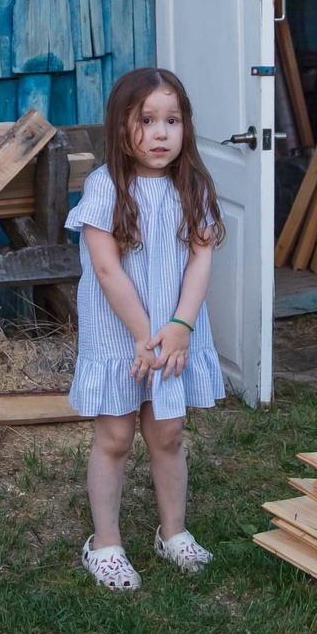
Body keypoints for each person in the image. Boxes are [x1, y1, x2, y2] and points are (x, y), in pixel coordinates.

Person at [67, 66, 226, 590]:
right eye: (147, 120)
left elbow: (201, 259)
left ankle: (173, 533)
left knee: (168, 433)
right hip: (121, 336)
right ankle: (105, 544)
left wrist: (179, 325)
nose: (161, 133)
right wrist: (143, 333)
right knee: (114, 436)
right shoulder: (104, 187)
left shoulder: (193, 187)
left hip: (175, 333)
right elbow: (107, 269)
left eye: (172, 120)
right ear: (120, 129)